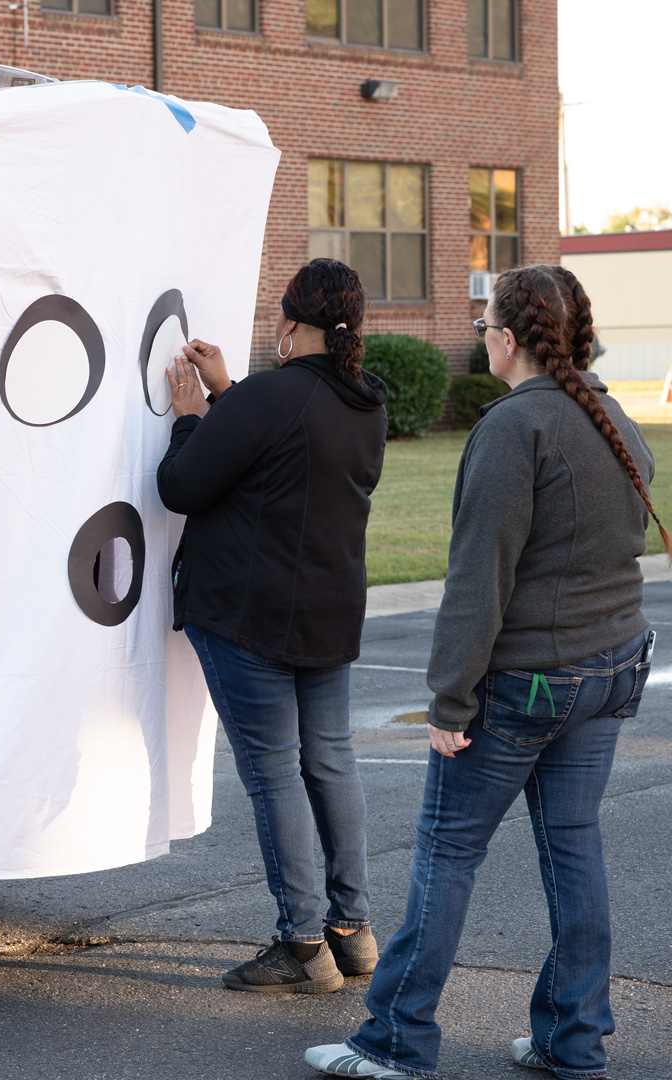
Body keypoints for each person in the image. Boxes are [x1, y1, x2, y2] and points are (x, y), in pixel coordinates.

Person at [306, 264, 666, 1079]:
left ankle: (395, 1043)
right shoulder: (607, 411)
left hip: (533, 682)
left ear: (505, 341)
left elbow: (478, 579)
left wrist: (450, 701)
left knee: (446, 855)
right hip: (610, 670)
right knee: (574, 850)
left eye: (482, 330)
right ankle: (572, 1041)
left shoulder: (514, 426)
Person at [156, 258, 388, 994]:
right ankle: (351, 931)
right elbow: (290, 449)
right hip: (329, 612)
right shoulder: (367, 401)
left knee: (274, 774)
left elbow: (180, 485)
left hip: (251, 616)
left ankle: (301, 945)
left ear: (290, 322)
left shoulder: (270, 395)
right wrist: (228, 394)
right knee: (330, 763)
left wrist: (191, 416)